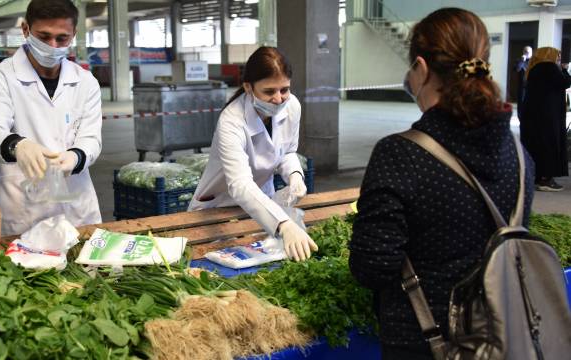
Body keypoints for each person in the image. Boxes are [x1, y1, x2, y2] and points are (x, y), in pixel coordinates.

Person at [348, 8, 534, 360]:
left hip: (425, 341)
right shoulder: (519, 153)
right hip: (502, 333)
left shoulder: (400, 155)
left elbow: (372, 266)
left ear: (420, 68)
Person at [0, 0, 102, 236]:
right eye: (44, 37)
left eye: (62, 38)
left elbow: (91, 137)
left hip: (76, 207)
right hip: (21, 209)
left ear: (74, 34)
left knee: (84, 269)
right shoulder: (1, 77)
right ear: (25, 30)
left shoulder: (85, 82)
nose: (53, 46)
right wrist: (17, 145)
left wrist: (76, 157)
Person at [188, 46, 318, 262]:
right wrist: (284, 225)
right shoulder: (232, 120)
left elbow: (287, 151)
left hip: (261, 204)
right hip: (219, 207)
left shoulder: (292, 105)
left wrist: (295, 175)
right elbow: (239, 184)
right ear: (248, 87)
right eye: (269, 91)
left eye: (284, 89)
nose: (278, 99)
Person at [520, 47, 571, 192]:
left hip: (535, 115)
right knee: (548, 145)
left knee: (536, 145)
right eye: (557, 55)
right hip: (547, 116)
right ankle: (545, 179)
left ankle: (537, 177)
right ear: (549, 55)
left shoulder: (535, 68)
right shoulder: (548, 67)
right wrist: (565, 69)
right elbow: (565, 82)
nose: (559, 58)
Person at [514, 45, 532, 119]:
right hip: (522, 86)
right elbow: (517, 69)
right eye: (525, 52)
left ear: (531, 53)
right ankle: (520, 119)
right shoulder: (519, 60)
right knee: (521, 103)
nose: (526, 53)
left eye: (528, 52)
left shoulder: (533, 61)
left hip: (531, 86)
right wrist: (522, 60)